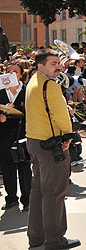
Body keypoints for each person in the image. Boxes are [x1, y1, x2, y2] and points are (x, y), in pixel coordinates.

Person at [25, 48, 80, 249]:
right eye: (53, 64)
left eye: (59, 63)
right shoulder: (51, 86)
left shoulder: (32, 81)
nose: (59, 66)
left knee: (38, 192)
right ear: (41, 66)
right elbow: (62, 118)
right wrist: (68, 136)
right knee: (54, 194)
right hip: (51, 145)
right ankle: (55, 240)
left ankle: (36, 237)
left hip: (35, 142)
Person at [0, 62, 31, 211]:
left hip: (23, 134)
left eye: (15, 72)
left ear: (21, 74)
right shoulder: (0, 91)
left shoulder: (27, 91)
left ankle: (27, 199)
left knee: (24, 167)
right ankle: (11, 198)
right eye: (8, 71)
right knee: (8, 167)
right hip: (5, 135)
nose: (11, 74)